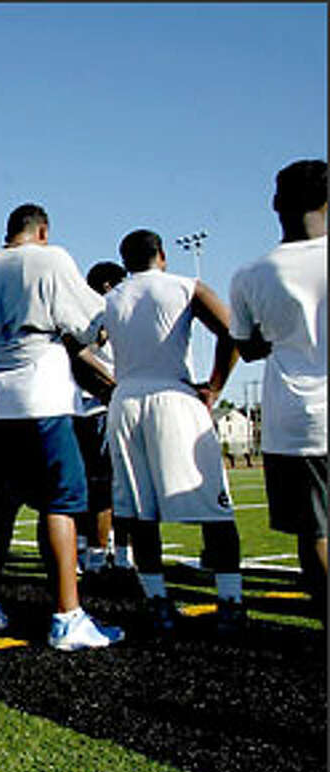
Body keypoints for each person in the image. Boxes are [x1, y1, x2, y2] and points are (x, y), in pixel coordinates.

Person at [0, 203, 124, 650]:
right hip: (42, 399)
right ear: (43, 231)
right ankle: (67, 616)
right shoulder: (50, 258)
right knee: (61, 503)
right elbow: (92, 326)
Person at [104, 228, 246, 637]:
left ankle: (158, 604)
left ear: (125, 260)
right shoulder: (185, 285)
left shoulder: (110, 299)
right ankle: (231, 603)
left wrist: (108, 387)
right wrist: (216, 386)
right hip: (174, 397)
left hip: (125, 402)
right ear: (162, 254)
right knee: (215, 510)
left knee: (139, 514)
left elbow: (79, 345)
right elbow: (232, 330)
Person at [229, 158, 327, 624]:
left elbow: (246, 349)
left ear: (275, 204)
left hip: (295, 418)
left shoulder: (250, 275)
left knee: (315, 533)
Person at [72, 261, 134, 578]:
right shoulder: (98, 313)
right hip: (98, 409)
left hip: (97, 408)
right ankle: (100, 554)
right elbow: (78, 359)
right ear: (109, 285)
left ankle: (110, 552)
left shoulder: (101, 313)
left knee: (109, 486)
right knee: (107, 487)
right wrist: (111, 384)